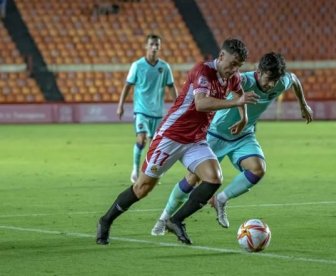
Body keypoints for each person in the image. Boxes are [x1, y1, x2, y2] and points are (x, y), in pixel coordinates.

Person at [96, 38, 259, 245]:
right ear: (221, 56)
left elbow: (239, 94)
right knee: (142, 188)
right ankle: (105, 221)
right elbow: (201, 104)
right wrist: (236, 102)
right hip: (171, 137)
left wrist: (243, 117)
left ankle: (176, 220)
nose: (234, 69)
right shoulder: (203, 71)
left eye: (238, 65)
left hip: (196, 140)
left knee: (214, 178)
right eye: (232, 63)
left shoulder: (232, 77)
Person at [150, 52, 313, 236]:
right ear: (258, 71)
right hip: (214, 134)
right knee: (192, 179)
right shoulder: (242, 81)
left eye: (274, 80)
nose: (271, 85)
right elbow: (207, 97)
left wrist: (303, 105)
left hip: (243, 135)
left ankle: (220, 199)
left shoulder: (280, 82)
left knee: (258, 169)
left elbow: (294, 79)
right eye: (268, 79)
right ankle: (164, 219)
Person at [117, 34, 178, 184]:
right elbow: (127, 86)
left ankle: (151, 171)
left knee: (155, 144)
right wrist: (120, 105)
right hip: (141, 111)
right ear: (146, 46)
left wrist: (178, 106)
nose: (154, 47)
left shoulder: (164, 67)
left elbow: (171, 87)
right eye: (152, 44)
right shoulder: (137, 65)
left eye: (157, 44)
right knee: (141, 138)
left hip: (157, 112)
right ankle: (135, 170)